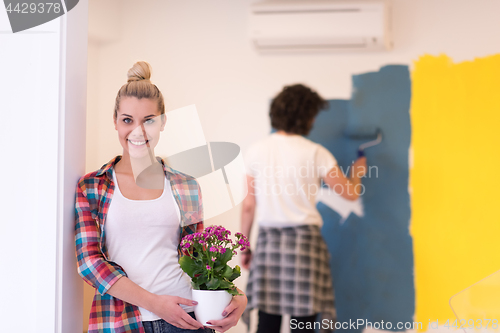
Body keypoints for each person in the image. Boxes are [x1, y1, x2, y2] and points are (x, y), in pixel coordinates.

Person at [75, 61, 247, 333]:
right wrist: (155, 304)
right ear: (115, 122)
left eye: (149, 120)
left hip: (186, 318)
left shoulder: (187, 187)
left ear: (163, 122)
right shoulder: (92, 187)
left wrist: (236, 293)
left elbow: (198, 260)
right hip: (121, 322)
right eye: (127, 120)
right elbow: (90, 263)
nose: (138, 131)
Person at [241, 84, 367, 333]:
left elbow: (248, 206)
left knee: (268, 319)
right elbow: (350, 193)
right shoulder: (316, 153)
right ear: (308, 117)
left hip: (269, 242)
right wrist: (358, 172)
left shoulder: (256, 151)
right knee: (304, 323)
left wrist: (245, 246)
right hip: (305, 244)